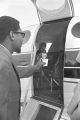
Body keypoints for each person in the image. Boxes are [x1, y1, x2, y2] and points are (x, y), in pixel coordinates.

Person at [0, 16, 44, 120]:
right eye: (22, 34)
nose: (23, 39)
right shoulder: (2, 62)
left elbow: (16, 72)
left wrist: (36, 67)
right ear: (12, 35)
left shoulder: (5, 57)